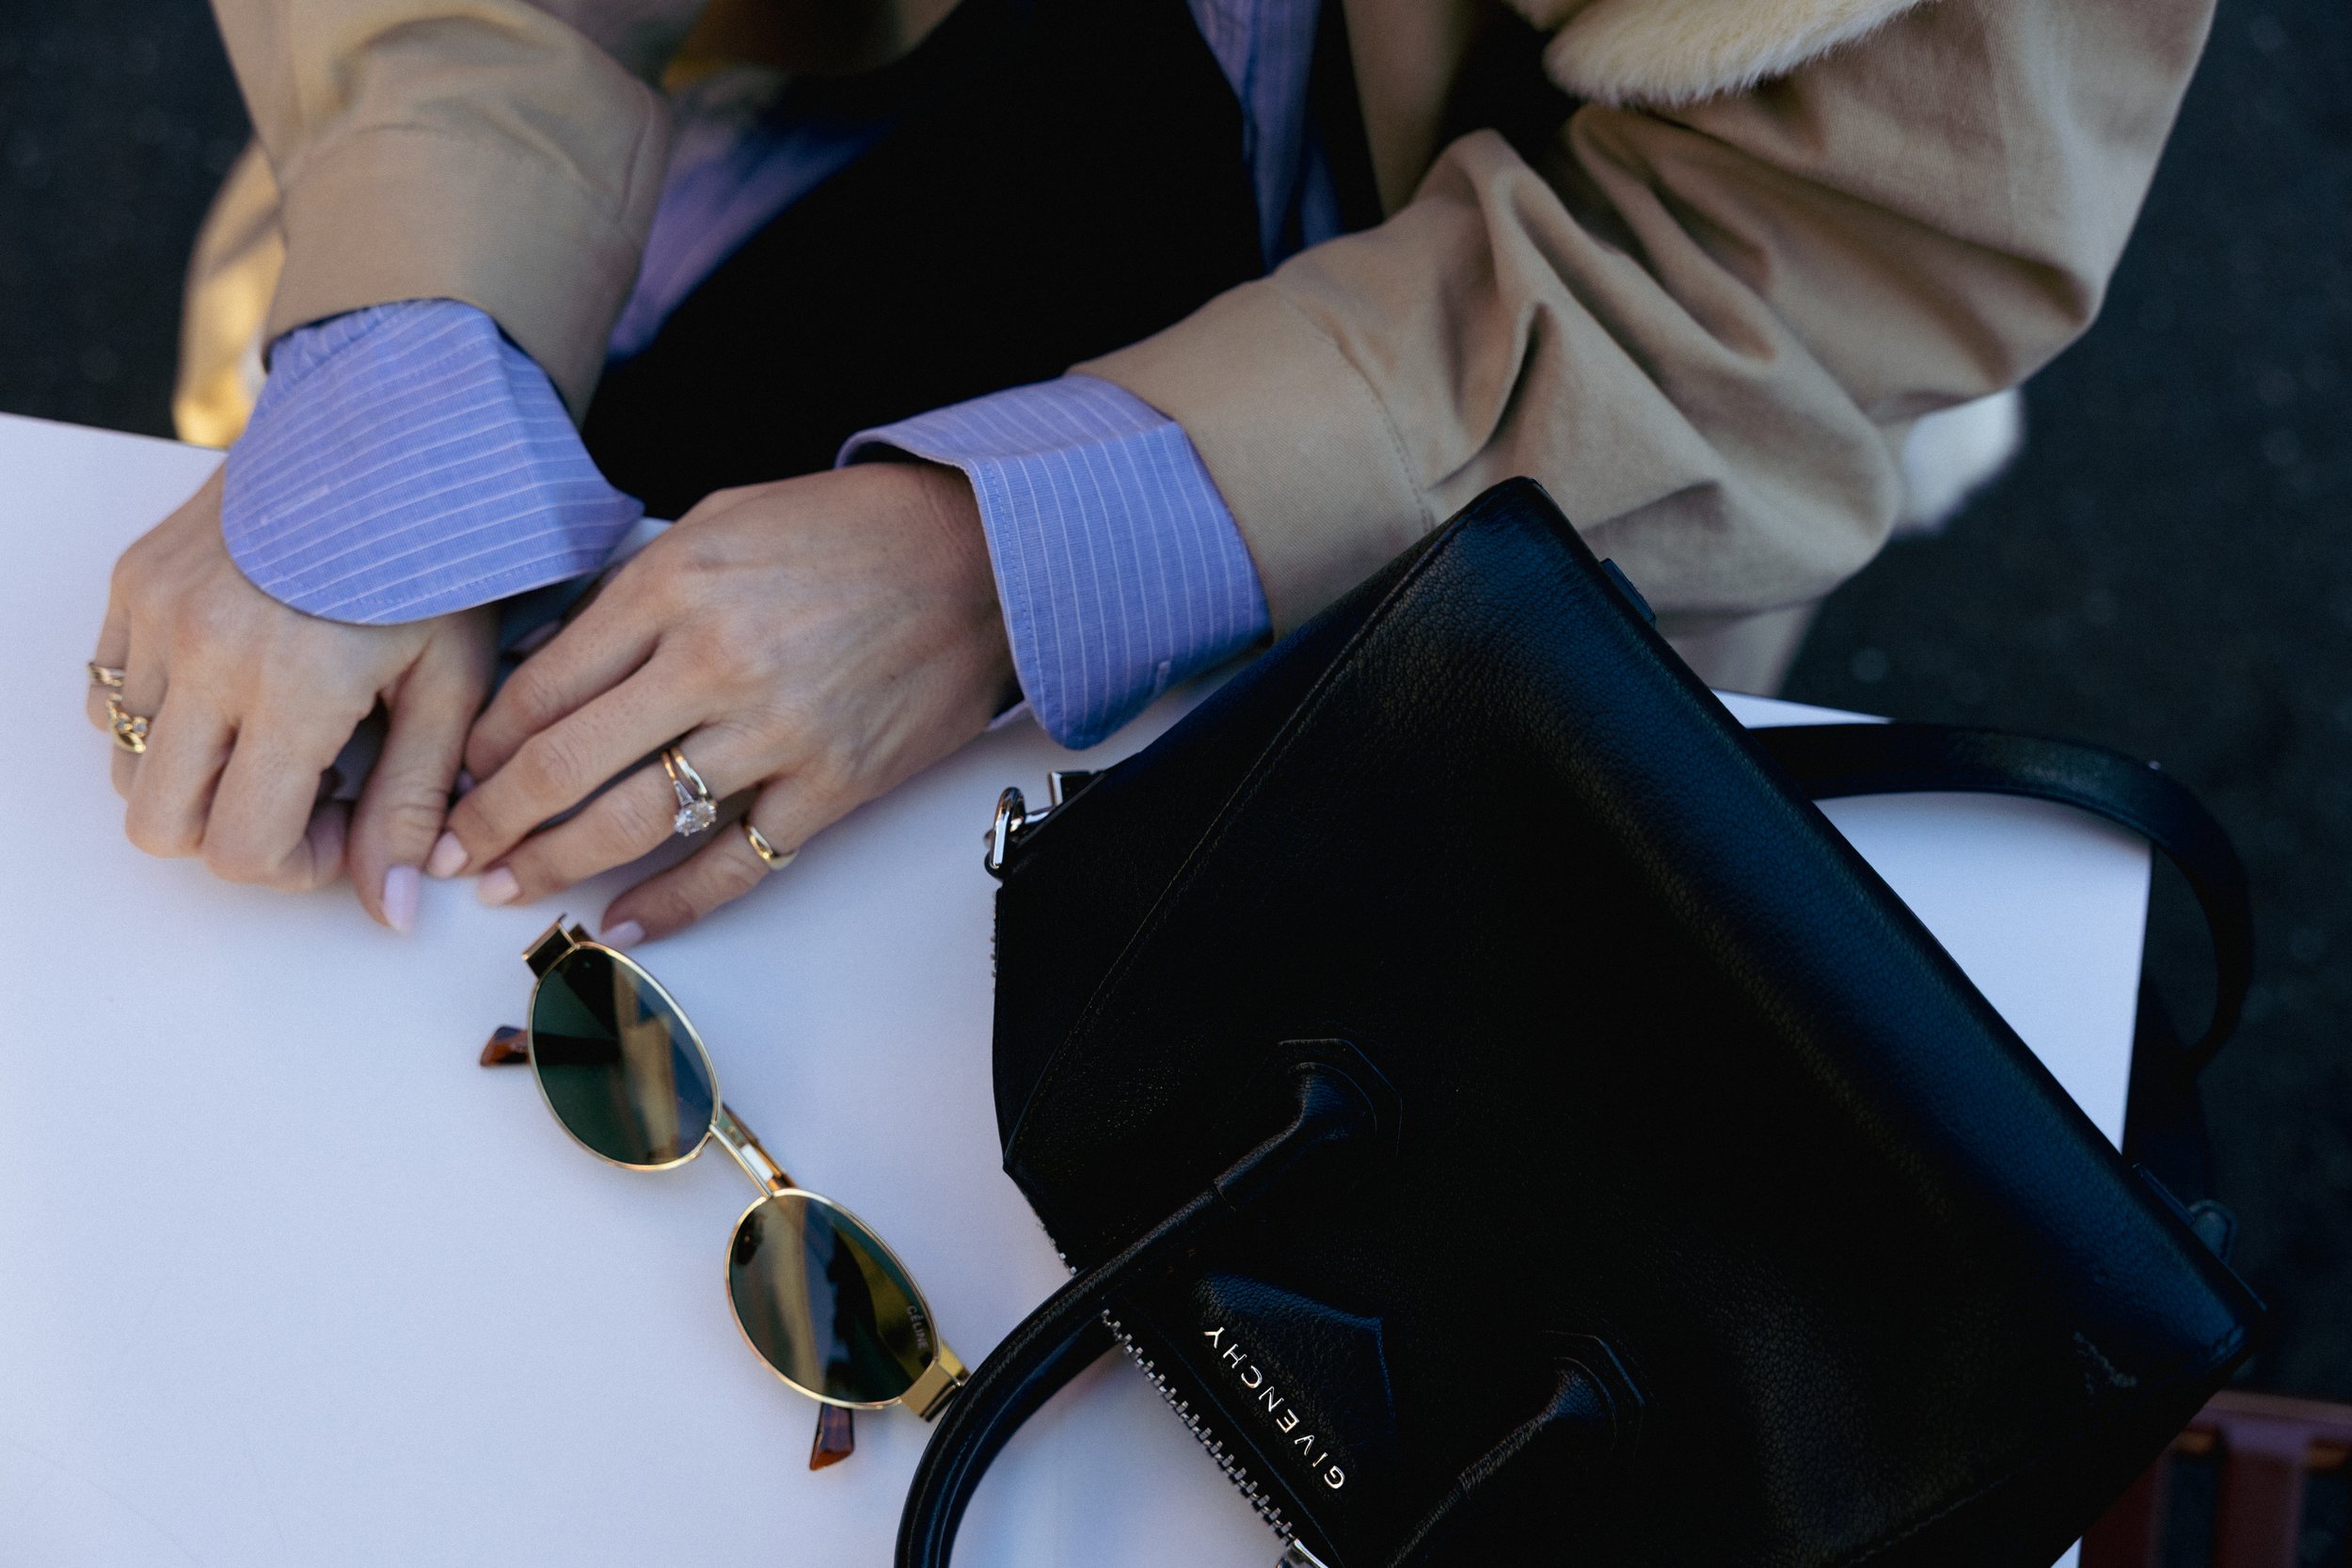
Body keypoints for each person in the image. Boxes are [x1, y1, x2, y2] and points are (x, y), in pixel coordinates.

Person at [89, 0, 2215, 946]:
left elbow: (1816, 262)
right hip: (760, 114)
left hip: (1458, 367)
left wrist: (1003, 563)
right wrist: (406, 362)